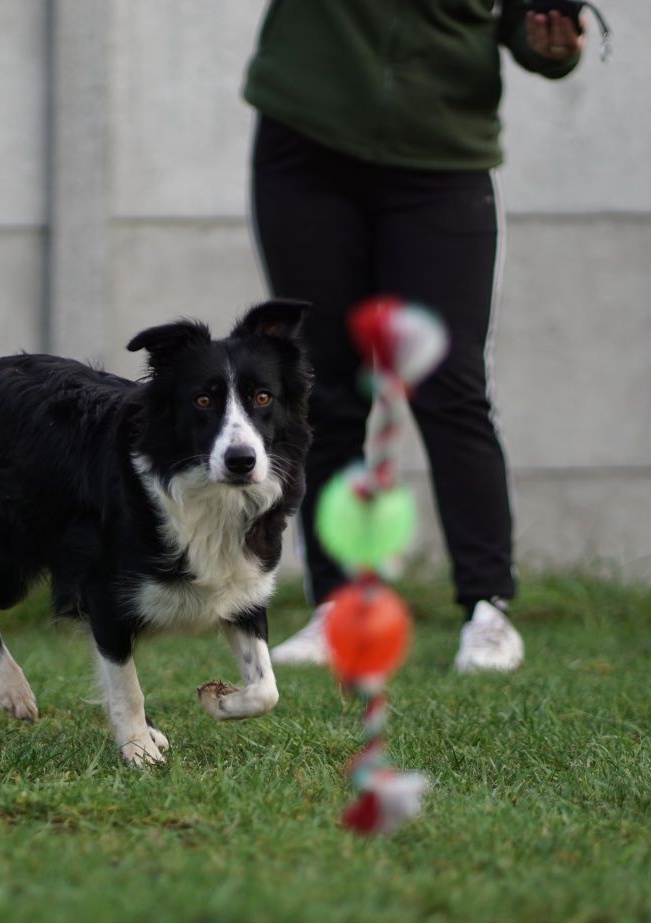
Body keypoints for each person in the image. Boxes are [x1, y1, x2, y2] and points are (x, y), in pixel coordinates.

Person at [245, 1, 585, 672]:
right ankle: (337, 605)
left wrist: (551, 43)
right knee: (324, 392)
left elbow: (528, 25)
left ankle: (488, 610)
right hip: (308, 143)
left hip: (442, 161)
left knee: (449, 385)